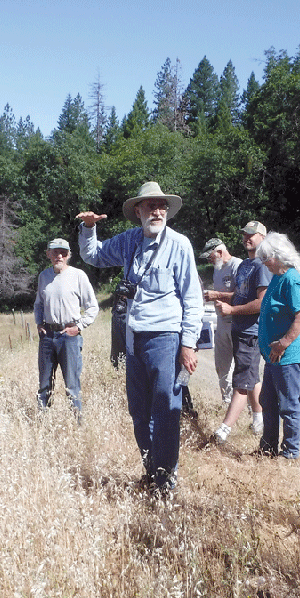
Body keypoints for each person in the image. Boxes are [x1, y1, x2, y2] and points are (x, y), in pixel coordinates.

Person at [77, 181, 203, 495]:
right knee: (139, 411)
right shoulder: (130, 240)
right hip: (133, 338)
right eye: (150, 206)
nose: (157, 211)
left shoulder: (179, 244)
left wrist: (188, 343)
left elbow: (192, 297)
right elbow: (94, 255)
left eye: (161, 206)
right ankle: (150, 470)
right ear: (138, 211)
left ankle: (165, 478)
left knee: (165, 409)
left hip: (166, 338)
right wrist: (89, 228)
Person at [211, 221, 272, 442]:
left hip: (251, 331)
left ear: (263, 237)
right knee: (250, 376)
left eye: (252, 235)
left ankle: (223, 431)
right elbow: (239, 294)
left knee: (241, 384)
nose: (247, 238)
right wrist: (220, 298)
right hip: (238, 329)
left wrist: (233, 309)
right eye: (244, 234)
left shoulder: (263, 265)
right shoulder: (246, 264)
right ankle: (259, 420)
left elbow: (262, 302)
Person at [255, 232, 300, 458]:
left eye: (266, 258)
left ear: (278, 257)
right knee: (267, 400)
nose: (264, 263)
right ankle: (267, 447)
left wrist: (284, 343)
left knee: (288, 405)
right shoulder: (277, 277)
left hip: (286, 353)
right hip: (273, 353)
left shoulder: (292, 279)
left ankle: (290, 452)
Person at [33, 238, 99, 413]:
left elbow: (92, 307)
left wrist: (79, 327)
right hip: (47, 335)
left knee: (72, 385)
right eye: (55, 252)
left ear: (69, 255)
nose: (59, 256)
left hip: (69, 337)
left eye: (63, 253)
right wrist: (39, 324)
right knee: (44, 385)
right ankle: (42, 425)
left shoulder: (78, 276)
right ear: (48, 254)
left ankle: (77, 426)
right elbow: (39, 304)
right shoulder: (43, 276)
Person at [199, 238, 243, 405]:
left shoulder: (237, 265)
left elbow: (243, 296)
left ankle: (247, 408)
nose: (209, 260)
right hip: (221, 323)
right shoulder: (217, 269)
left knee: (241, 368)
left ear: (219, 252)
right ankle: (227, 402)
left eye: (210, 256)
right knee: (221, 366)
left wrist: (216, 295)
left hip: (238, 322)